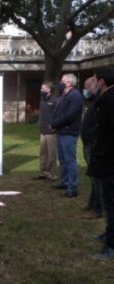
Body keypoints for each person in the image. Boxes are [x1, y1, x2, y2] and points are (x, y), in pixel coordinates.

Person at [87, 66, 114, 260]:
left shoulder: (110, 101)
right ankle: (109, 233)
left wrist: (101, 155)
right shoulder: (104, 99)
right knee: (108, 202)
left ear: (102, 82)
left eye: (95, 80)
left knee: (111, 204)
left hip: (108, 162)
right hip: (104, 159)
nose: (93, 83)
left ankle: (111, 246)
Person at [50, 73, 84, 198]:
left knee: (70, 160)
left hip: (69, 133)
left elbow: (70, 115)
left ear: (69, 83)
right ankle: (64, 182)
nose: (60, 82)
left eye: (62, 81)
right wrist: (55, 125)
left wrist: (54, 124)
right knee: (63, 160)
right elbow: (60, 112)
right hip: (62, 131)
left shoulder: (75, 96)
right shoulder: (65, 95)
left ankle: (72, 187)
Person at [81, 76, 102, 219]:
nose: (85, 90)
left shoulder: (101, 101)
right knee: (93, 177)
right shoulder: (92, 101)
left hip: (94, 144)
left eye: (87, 87)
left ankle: (97, 209)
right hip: (88, 143)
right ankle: (92, 203)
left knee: (97, 178)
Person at [33, 81, 58, 181]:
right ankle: (43, 173)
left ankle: (52, 175)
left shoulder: (55, 100)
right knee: (43, 153)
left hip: (51, 132)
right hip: (42, 131)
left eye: (43, 89)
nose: (41, 90)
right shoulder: (42, 100)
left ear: (49, 89)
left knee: (51, 154)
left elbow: (58, 115)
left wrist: (55, 126)